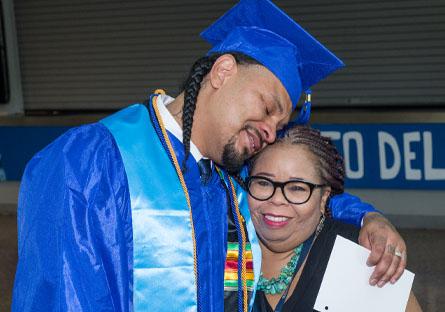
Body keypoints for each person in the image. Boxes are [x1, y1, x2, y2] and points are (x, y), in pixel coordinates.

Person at [12, 0, 406, 311]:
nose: (270, 131)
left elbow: (306, 192)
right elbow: (63, 297)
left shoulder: (230, 172)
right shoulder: (91, 161)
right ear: (222, 72)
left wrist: (369, 217)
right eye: (268, 107)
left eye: (280, 124)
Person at [247, 125, 421, 312]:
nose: (277, 199)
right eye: (263, 183)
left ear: (323, 198)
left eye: (297, 188)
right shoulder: (223, 246)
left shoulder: (362, 256)